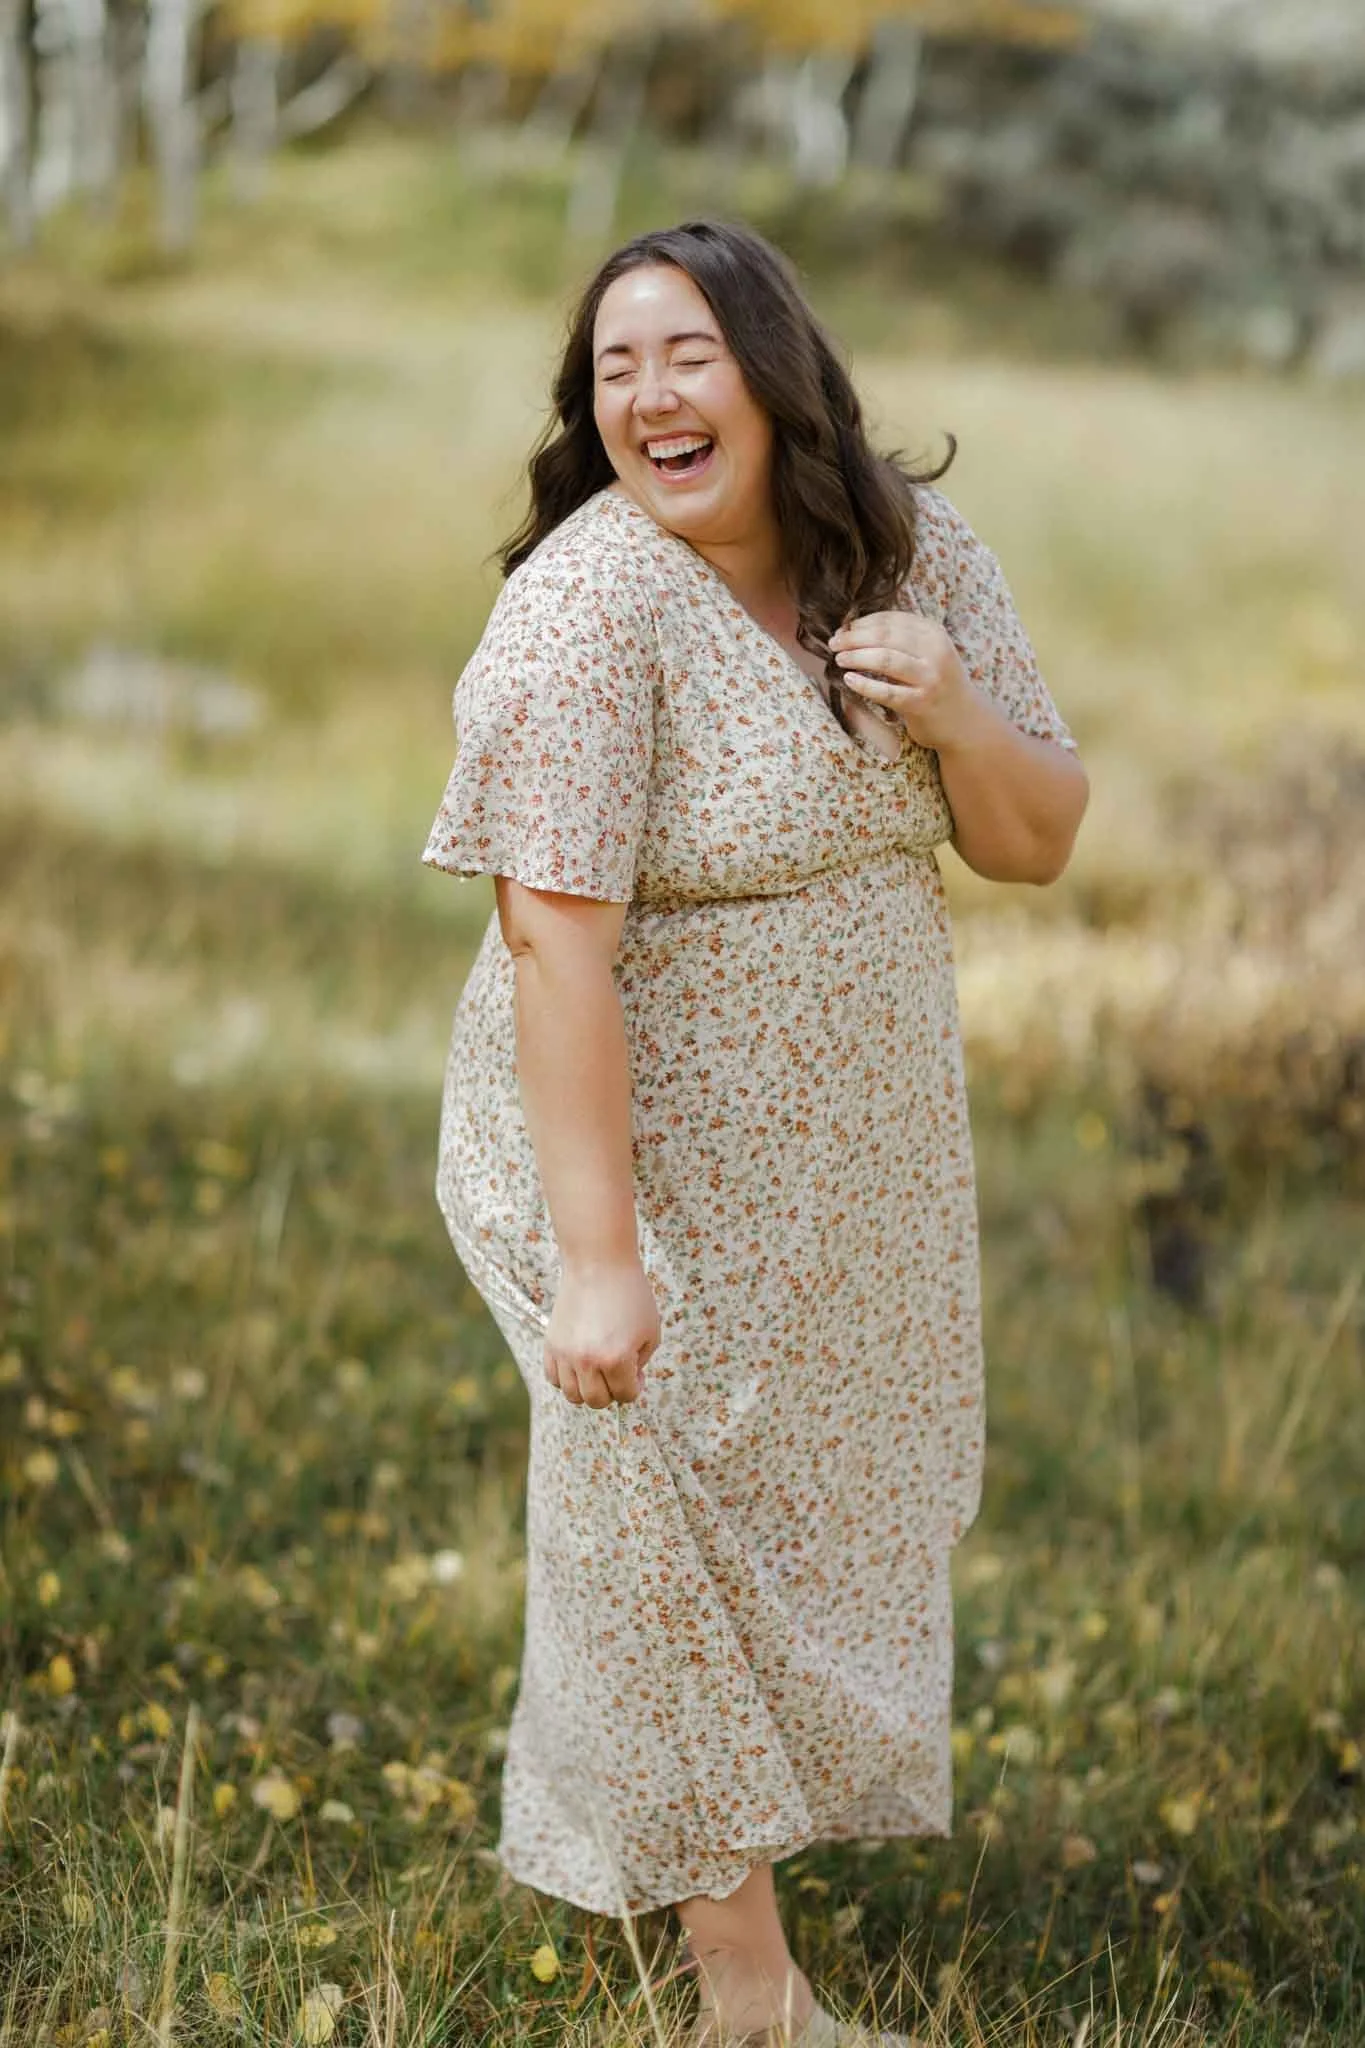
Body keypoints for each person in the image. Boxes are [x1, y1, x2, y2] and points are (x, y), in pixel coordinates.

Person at [421, 218, 1089, 2048]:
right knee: (649, 1499)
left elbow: (1037, 840)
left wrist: (953, 711)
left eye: (685, 354)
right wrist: (602, 1254)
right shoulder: (584, 609)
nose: (647, 396)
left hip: (853, 1148)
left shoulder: (912, 550)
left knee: (813, 1500)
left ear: (775, 373)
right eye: (614, 368)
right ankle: (750, 1998)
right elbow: (553, 945)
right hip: (611, 1136)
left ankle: (686, 1869)